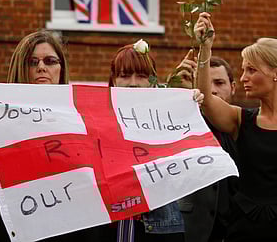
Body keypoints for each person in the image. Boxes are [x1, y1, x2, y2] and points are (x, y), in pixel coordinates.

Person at [0, 30, 108, 242]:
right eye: (33, 62)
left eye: (50, 61)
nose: (42, 67)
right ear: (21, 68)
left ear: (61, 68)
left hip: (75, 227)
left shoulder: (82, 115)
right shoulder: (0, 115)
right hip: (24, 225)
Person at [107, 43, 204, 242]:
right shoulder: (95, 119)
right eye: (124, 75)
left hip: (160, 229)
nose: (133, 83)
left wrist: (189, 105)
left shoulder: (169, 119)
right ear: (113, 80)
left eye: (141, 76)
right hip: (107, 226)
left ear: (152, 83)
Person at [195, 12, 277, 241]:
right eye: (243, 70)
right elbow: (207, 100)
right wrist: (205, 48)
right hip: (243, 229)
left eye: (251, 70)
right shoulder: (241, 119)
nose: (242, 78)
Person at [169, 53, 239, 242]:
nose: (213, 90)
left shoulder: (244, 124)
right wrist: (173, 93)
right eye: (206, 84)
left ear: (233, 87)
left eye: (219, 83)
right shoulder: (182, 124)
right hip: (192, 229)